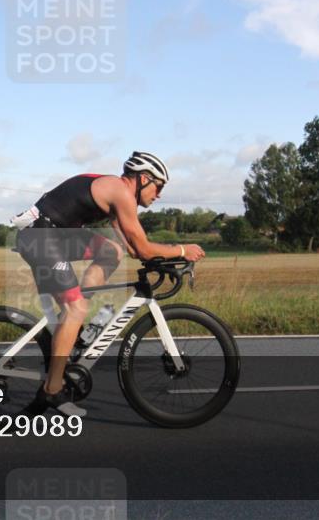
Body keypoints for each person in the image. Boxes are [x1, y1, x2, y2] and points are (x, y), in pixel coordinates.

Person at [13, 151, 206, 417]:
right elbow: (144, 248)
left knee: (111, 252)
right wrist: (182, 250)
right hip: (41, 238)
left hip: (52, 235)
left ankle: (76, 329)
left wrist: (160, 258)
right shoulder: (121, 193)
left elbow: (134, 251)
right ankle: (51, 390)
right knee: (75, 308)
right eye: (159, 186)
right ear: (144, 179)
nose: (159, 194)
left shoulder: (117, 195)